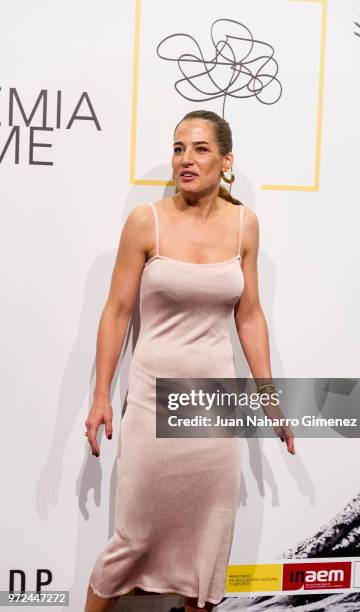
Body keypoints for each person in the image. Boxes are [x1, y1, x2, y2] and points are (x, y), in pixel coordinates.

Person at [83, 109, 295, 612]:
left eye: (200, 148)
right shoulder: (146, 222)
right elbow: (115, 314)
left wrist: (270, 400)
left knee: (208, 552)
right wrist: (100, 397)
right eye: (179, 148)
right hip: (154, 404)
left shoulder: (246, 224)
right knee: (129, 543)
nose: (186, 158)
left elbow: (250, 317)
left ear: (226, 161)